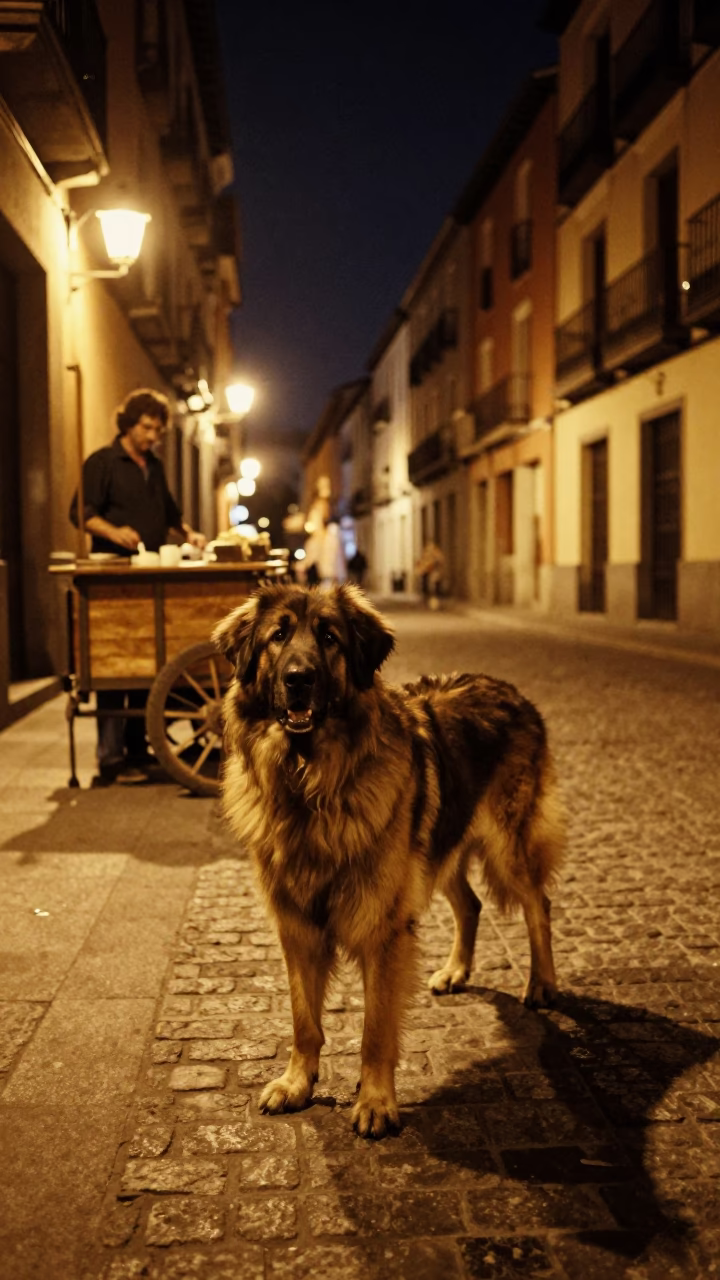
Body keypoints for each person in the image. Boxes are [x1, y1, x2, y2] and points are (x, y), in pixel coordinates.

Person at [69, 388, 205, 784]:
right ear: (129, 423)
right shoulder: (102, 462)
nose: (152, 437)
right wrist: (115, 532)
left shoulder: (155, 466)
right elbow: (80, 513)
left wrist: (188, 533)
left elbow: (171, 514)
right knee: (115, 664)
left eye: (158, 431)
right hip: (113, 579)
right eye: (147, 428)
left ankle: (137, 749)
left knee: (147, 666)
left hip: (149, 577)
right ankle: (112, 759)